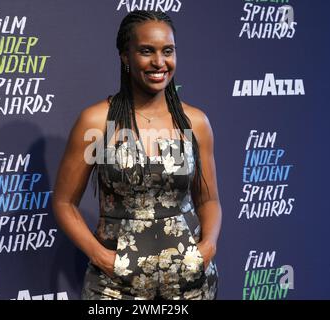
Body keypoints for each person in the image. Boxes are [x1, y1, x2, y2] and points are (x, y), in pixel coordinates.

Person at [52, 10, 222, 300]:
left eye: (167, 51)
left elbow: (209, 200)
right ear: (125, 56)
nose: (159, 62)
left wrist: (208, 248)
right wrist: (102, 256)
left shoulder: (195, 123)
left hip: (190, 286)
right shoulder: (96, 121)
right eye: (147, 51)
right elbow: (64, 202)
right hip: (116, 288)